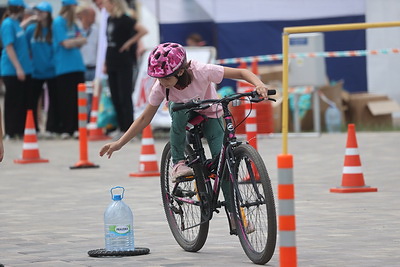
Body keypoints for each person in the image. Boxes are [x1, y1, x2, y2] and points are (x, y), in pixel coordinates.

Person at [99, 43, 270, 220]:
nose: (161, 82)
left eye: (165, 78)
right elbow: (144, 119)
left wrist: (259, 85)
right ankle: (179, 163)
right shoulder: (161, 87)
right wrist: (119, 143)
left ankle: (236, 216)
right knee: (178, 110)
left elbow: (241, 73)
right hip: (183, 112)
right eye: (158, 78)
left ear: (180, 71)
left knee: (224, 165)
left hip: (211, 112)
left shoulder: (202, 70)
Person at [103, 0, 147, 138]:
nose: (104, 6)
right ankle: (122, 127)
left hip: (124, 61)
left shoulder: (125, 19)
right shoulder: (110, 19)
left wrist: (129, 43)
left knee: (124, 95)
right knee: (115, 95)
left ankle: (129, 129)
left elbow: (143, 30)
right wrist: (105, 62)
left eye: (106, 3)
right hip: (111, 60)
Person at [52, 0, 86, 139]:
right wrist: (76, 41)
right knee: (66, 99)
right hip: (64, 67)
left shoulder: (73, 23)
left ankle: (77, 128)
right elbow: (65, 43)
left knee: (78, 100)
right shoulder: (59, 22)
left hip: (77, 66)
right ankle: (67, 128)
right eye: (74, 6)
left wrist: (75, 42)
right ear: (69, 7)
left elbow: (83, 40)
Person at [25, 1, 59, 138]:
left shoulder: (54, 29)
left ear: (48, 14)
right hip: (35, 71)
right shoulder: (30, 30)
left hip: (52, 71)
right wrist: (29, 20)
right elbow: (24, 49)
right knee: (32, 101)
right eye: (37, 11)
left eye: (41, 11)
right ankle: (34, 129)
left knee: (53, 101)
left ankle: (51, 128)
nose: (38, 14)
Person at [0, 0, 33, 140]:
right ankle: (10, 131)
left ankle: (19, 130)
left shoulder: (15, 23)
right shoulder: (7, 24)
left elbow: (19, 30)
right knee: (12, 101)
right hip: (12, 70)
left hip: (21, 70)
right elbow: (9, 47)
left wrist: (30, 20)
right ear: (19, 8)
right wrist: (18, 68)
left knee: (21, 101)